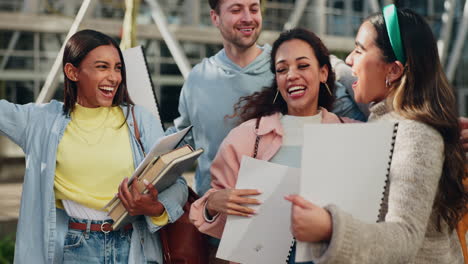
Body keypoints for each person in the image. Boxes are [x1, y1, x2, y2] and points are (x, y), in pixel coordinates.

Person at [285, 5, 467, 263]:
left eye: (359, 50)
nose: (349, 60)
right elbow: (344, 71)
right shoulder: (388, 120)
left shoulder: (416, 134)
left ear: (393, 70)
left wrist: (330, 228)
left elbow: (406, 236)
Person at [1, 29, 188, 263]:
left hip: (133, 246)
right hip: (75, 246)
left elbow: (178, 184)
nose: (114, 77)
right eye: (102, 67)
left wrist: (155, 207)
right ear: (72, 72)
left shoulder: (139, 119)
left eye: (117, 68)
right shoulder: (41, 121)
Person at [190, 28, 357, 264]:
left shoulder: (352, 134)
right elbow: (204, 210)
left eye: (302, 66)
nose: (291, 75)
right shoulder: (248, 136)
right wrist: (214, 204)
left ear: (323, 72)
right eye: (282, 69)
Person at [170, 0, 365, 199]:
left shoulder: (287, 65)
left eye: (254, 9)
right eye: (237, 10)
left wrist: (341, 69)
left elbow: (354, 118)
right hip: (215, 215)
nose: (248, 18)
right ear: (215, 17)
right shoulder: (198, 79)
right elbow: (181, 144)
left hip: (282, 207)